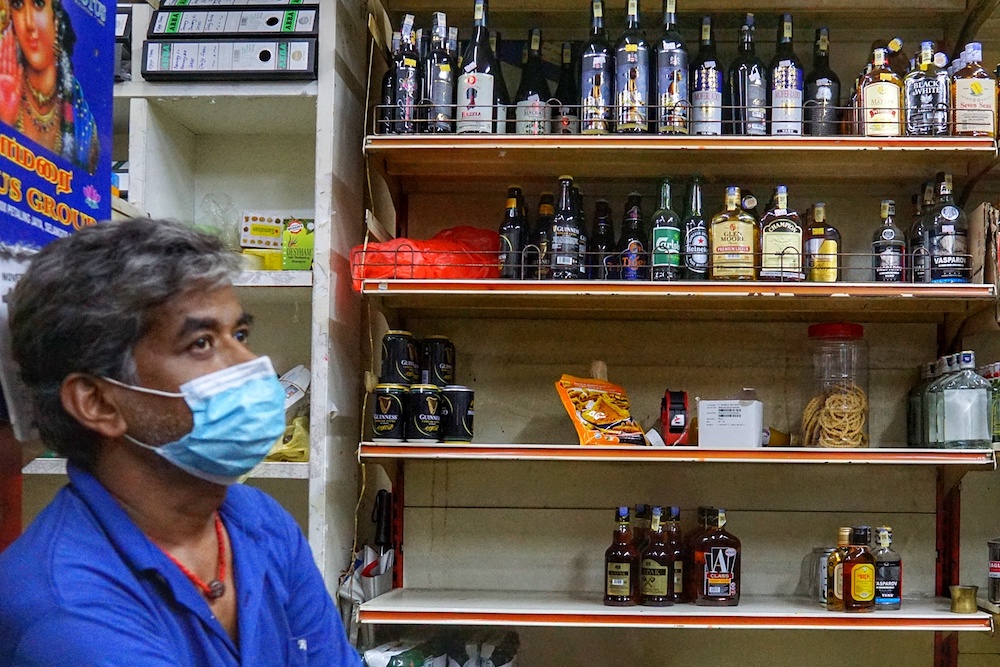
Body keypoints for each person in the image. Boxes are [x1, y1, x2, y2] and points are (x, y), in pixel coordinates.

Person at [0, 219, 362, 666]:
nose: (251, 365)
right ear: (97, 402)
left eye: (241, 335)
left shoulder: (257, 521)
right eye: (202, 343)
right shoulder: (65, 611)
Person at [0, 0, 100, 173]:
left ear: (57, 18)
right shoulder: (5, 90)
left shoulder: (81, 122)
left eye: (38, 4)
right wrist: (5, 122)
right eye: (18, 6)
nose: (29, 23)